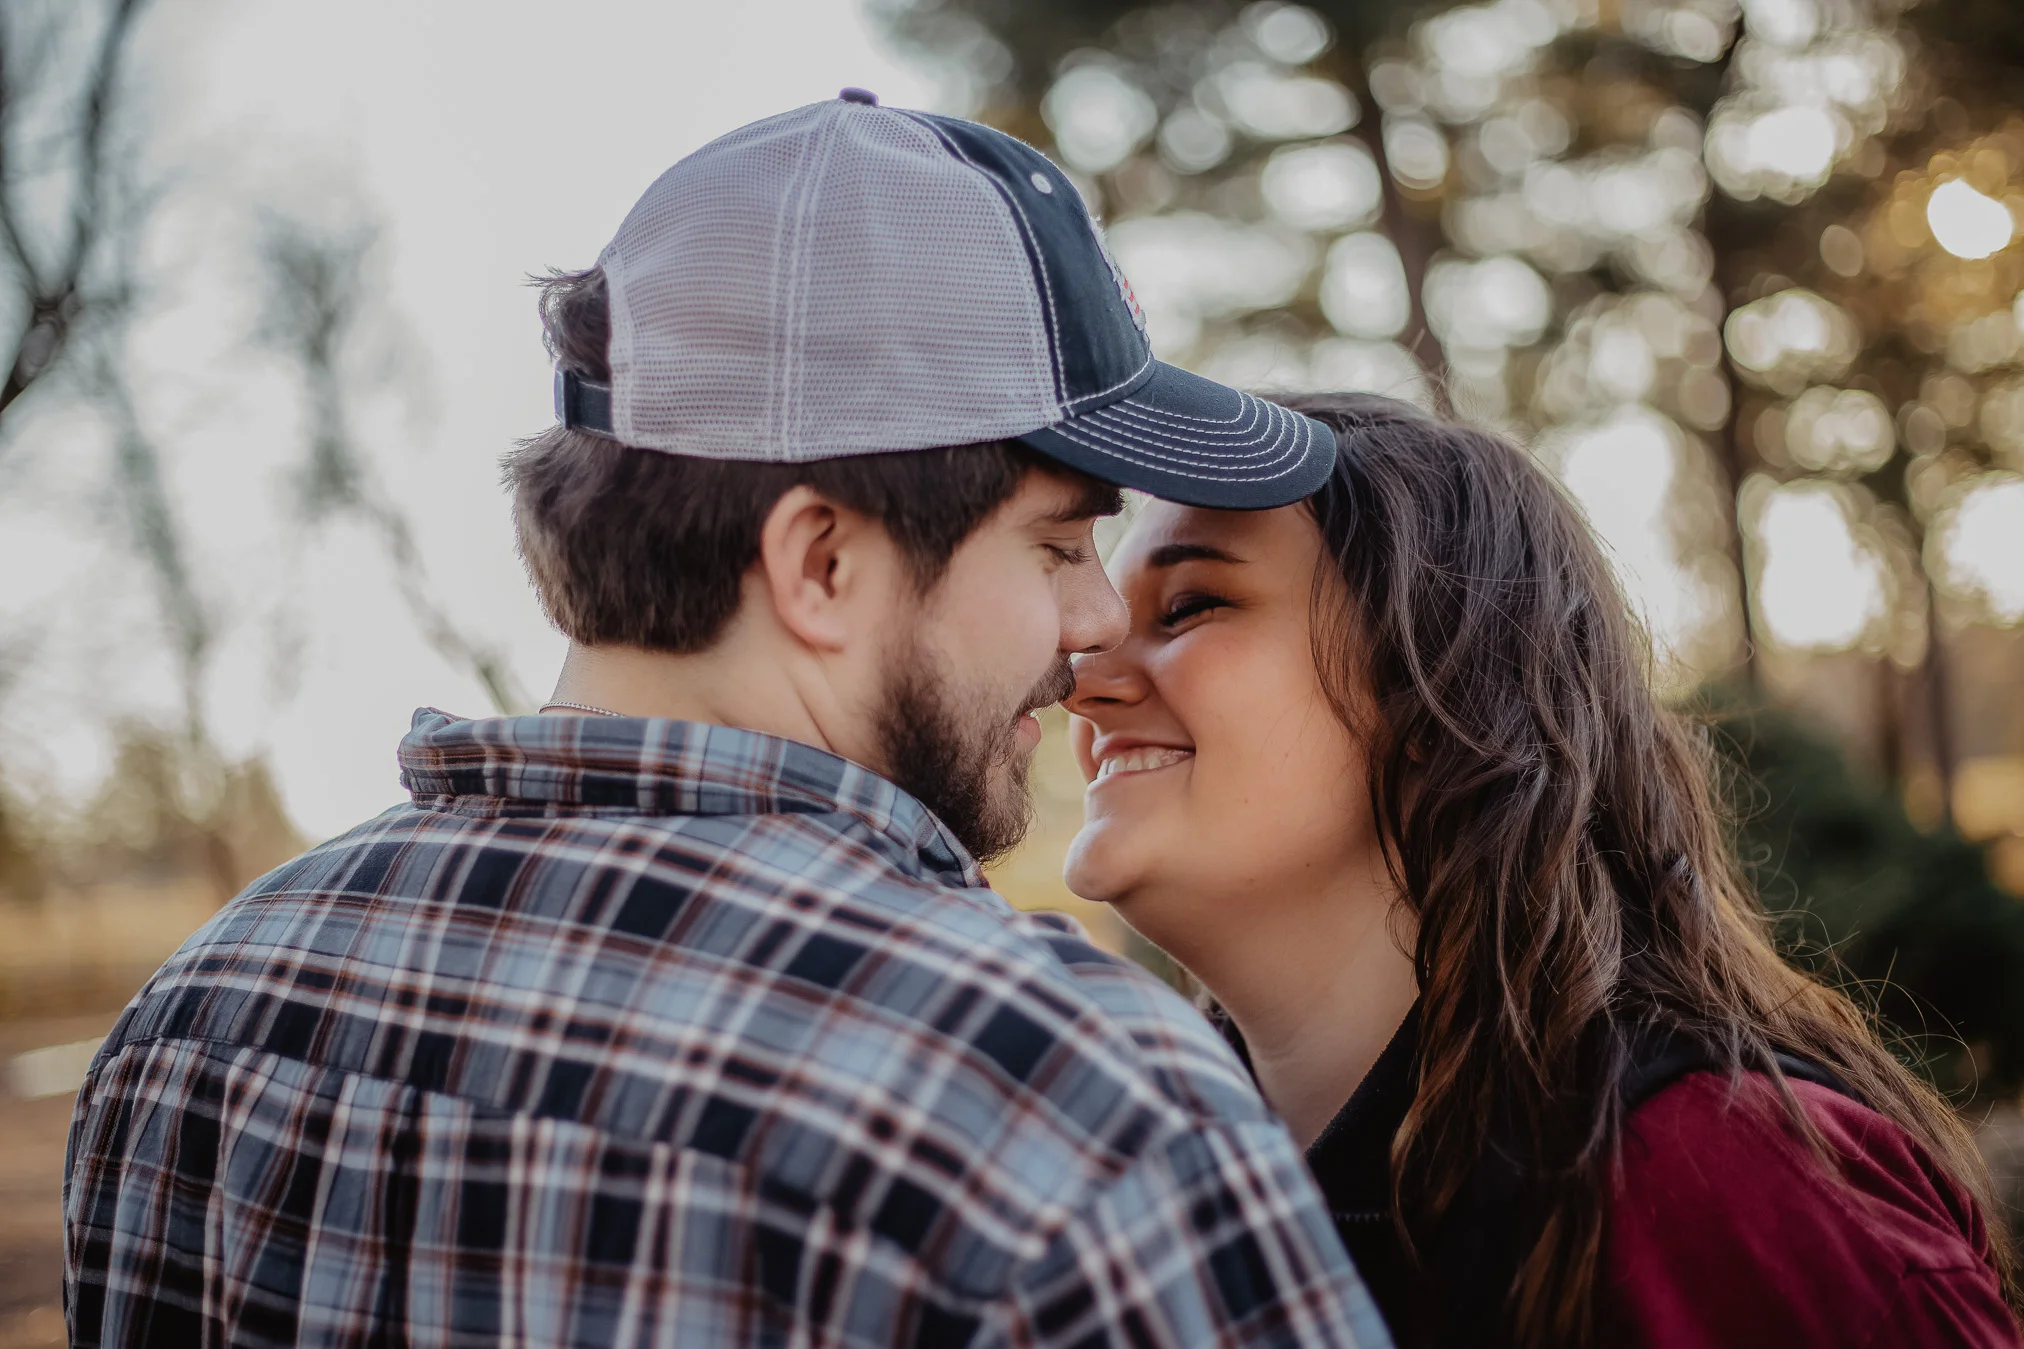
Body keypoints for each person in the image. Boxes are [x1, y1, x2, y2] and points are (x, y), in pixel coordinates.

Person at [61, 97, 1392, 1348]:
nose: (1098, 619)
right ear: (821, 564)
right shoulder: (1057, 1107)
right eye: (1055, 546)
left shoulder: (195, 1019)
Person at [1063, 390, 2023, 1349]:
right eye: (1099, 623)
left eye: (1190, 605)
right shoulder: (1132, 1206)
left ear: (1440, 688)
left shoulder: (1731, 1184)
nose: (1079, 677)